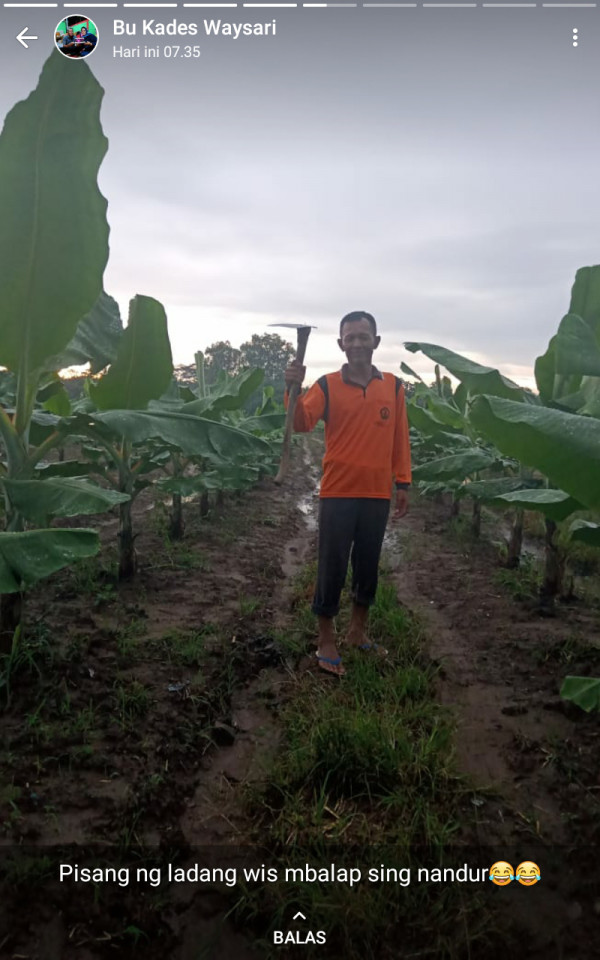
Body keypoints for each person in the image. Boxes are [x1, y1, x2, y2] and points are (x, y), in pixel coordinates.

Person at [284, 311, 411, 676]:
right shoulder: (325, 385)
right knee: (332, 567)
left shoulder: (394, 386)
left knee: (368, 566)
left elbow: (400, 439)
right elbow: (301, 423)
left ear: (376, 341)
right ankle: (326, 639)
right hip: (338, 493)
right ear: (341, 344)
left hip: (376, 495)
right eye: (350, 337)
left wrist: (403, 482)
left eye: (363, 336)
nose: (357, 343)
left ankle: (358, 632)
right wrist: (291, 388)